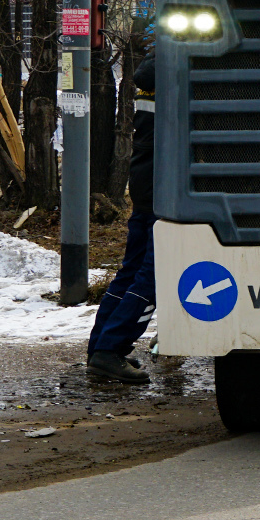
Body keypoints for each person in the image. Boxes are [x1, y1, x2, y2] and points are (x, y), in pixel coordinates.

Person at [86, 55, 156, 384]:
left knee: (131, 271)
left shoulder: (154, 69)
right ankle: (110, 351)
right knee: (152, 276)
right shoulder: (181, 68)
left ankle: (100, 347)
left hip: (145, 181)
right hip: (165, 185)